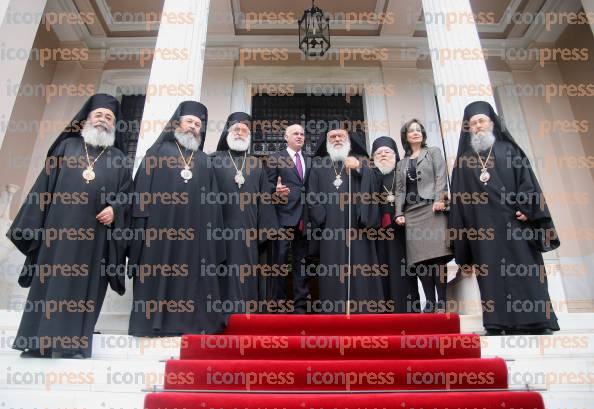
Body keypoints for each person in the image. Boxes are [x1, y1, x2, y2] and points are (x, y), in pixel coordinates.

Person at [8, 94, 132, 358]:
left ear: (115, 125)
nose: (103, 121)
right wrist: (33, 228)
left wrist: (115, 209)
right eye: (98, 115)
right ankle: (36, 343)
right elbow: (43, 187)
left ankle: (73, 345)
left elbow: (127, 195)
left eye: (109, 117)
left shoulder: (120, 158)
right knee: (48, 286)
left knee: (84, 293)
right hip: (57, 233)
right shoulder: (67, 147)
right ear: (87, 119)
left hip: (95, 241)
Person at [449, 100, 560, 335]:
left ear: (491, 123)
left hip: (515, 223)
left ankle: (537, 320)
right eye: (473, 123)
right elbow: (458, 203)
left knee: (526, 269)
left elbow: (528, 184)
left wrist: (527, 209)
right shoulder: (462, 163)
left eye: (482, 121)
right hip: (482, 231)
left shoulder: (510, 150)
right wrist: (462, 240)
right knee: (492, 275)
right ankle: (498, 323)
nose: (478, 126)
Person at [128, 101, 227, 336]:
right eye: (190, 122)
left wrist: (213, 235)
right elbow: (141, 193)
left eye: (198, 124)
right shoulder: (157, 153)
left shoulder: (204, 160)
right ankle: (154, 325)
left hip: (196, 236)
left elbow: (213, 202)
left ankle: (190, 324)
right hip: (158, 232)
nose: (194, 127)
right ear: (178, 124)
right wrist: (141, 226)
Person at [307, 118, 385, 314]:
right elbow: (311, 195)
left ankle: (364, 310)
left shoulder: (361, 160)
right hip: (330, 230)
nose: (337, 139)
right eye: (332, 137)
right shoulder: (318, 165)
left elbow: (377, 183)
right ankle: (334, 311)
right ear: (326, 141)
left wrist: (360, 168)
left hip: (357, 227)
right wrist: (322, 219)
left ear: (348, 138)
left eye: (340, 136)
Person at [210, 112, 278, 313]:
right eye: (236, 129)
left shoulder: (256, 164)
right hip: (217, 229)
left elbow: (264, 198)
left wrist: (264, 231)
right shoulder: (212, 160)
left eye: (244, 130)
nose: (240, 133)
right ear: (227, 133)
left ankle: (244, 314)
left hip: (248, 232)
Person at [395, 119, 453, 313]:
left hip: (432, 209)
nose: (415, 133)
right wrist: (398, 213)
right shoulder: (401, 163)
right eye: (411, 131)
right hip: (412, 213)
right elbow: (400, 190)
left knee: (437, 257)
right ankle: (429, 301)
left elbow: (440, 177)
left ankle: (442, 301)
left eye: (418, 130)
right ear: (406, 137)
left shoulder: (433, 152)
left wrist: (440, 199)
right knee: (420, 260)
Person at [265, 124, 311, 313]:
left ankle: (300, 305)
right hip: (282, 217)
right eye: (295, 134)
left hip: (305, 218)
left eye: (302, 134)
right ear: (286, 137)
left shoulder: (310, 159)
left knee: (302, 262)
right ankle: (278, 304)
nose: (299, 136)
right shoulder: (275, 158)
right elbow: (266, 186)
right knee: (280, 261)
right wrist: (274, 191)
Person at [371, 136, 419, 313]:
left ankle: (408, 309)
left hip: (403, 230)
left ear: (395, 154)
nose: (383, 155)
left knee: (405, 269)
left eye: (387, 152)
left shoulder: (404, 172)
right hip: (379, 233)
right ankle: (385, 310)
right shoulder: (372, 175)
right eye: (379, 153)